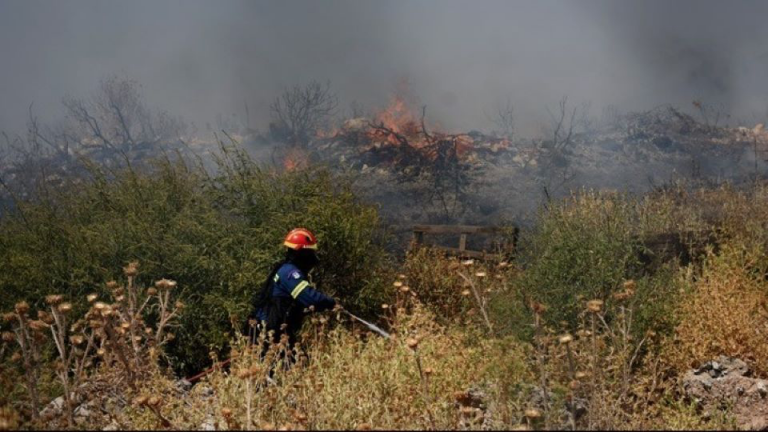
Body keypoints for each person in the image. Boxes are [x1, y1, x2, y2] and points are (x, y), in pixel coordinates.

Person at [246, 228, 337, 361]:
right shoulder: (290, 273)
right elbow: (310, 298)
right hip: (269, 333)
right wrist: (331, 302)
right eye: (310, 252)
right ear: (301, 253)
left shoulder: (287, 269)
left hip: (276, 331)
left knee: (295, 364)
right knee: (292, 367)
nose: (313, 256)